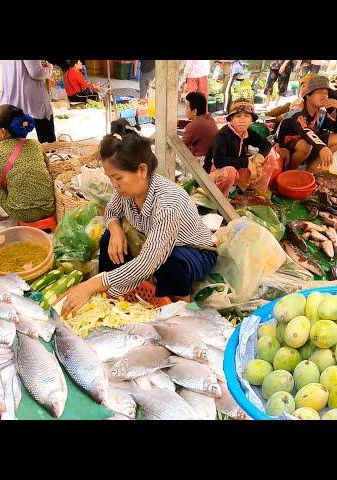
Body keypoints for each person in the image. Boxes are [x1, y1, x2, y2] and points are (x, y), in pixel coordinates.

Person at [60, 121, 217, 317]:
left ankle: (180, 306)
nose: (114, 185)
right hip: (155, 244)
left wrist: (91, 285)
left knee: (168, 263)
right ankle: (112, 300)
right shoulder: (127, 191)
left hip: (194, 251)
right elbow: (111, 210)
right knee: (109, 238)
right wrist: (115, 229)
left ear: (142, 170)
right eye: (110, 178)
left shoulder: (168, 203)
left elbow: (149, 261)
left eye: (118, 178)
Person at [0, 105, 56, 229]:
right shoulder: (35, 145)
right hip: (49, 208)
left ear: (3, 131)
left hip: (22, 213)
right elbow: (48, 168)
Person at [203, 98, 273, 195]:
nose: (242, 120)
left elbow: (266, 144)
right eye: (238, 116)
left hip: (237, 171)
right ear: (231, 119)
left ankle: (257, 192)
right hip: (215, 174)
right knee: (229, 171)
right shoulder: (223, 135)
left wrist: (258, 159)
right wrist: (246, 162)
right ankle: (220, 200)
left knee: (270, 154)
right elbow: (219, 161)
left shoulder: (247, 132)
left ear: (252, 119)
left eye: (247, 116)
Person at [276, 75, 337, 173]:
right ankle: (290, 172)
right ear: (308, 95)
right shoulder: (298, 109)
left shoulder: (321, 112)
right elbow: (305, 131)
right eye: (319, 92)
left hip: (310, 143)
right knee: (305, 145)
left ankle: (312, 168)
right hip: (286, 147)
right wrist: (322, 147)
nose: (324, 96)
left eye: (326, 93)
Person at [1, 60, 56, 143]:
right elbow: (36, 72)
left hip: (13, 97)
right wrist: (50, 69)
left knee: (14, 143)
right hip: (33, 99)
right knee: (47, 142)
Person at [181, 91, 218, 158]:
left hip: (202, 163)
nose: (185, 110)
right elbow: (197, 125)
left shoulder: (194, 125)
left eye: (187, 107)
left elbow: (180, 147)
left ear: (194, 111)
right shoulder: (209, 117)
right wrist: (180, 123)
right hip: (213, 158)